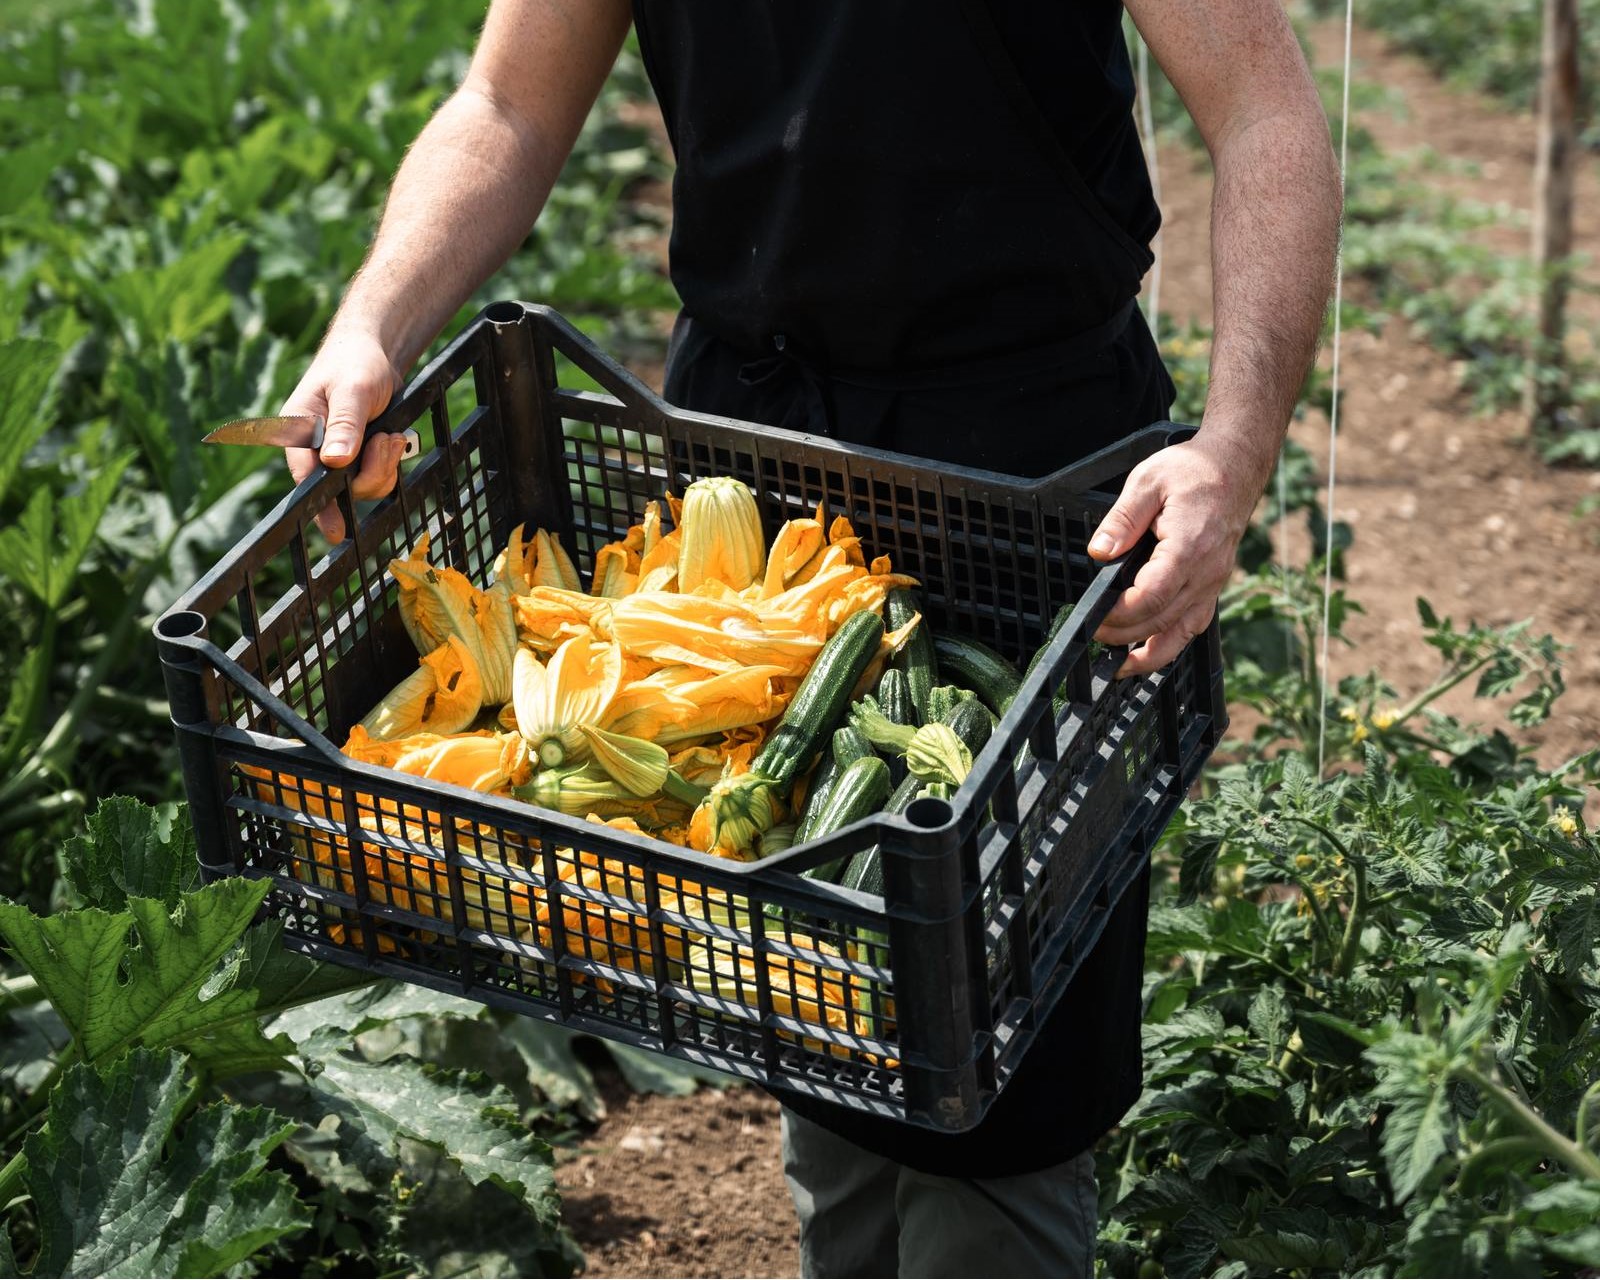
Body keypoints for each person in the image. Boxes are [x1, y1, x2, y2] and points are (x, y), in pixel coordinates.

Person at [281, 2, 1339, 1275]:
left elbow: (1263, 105)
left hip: (1035, 459)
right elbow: (507, 103)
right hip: (756, 446)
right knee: (805, 985)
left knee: (1002, 1073)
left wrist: (1232, 447)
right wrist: (370, 324)